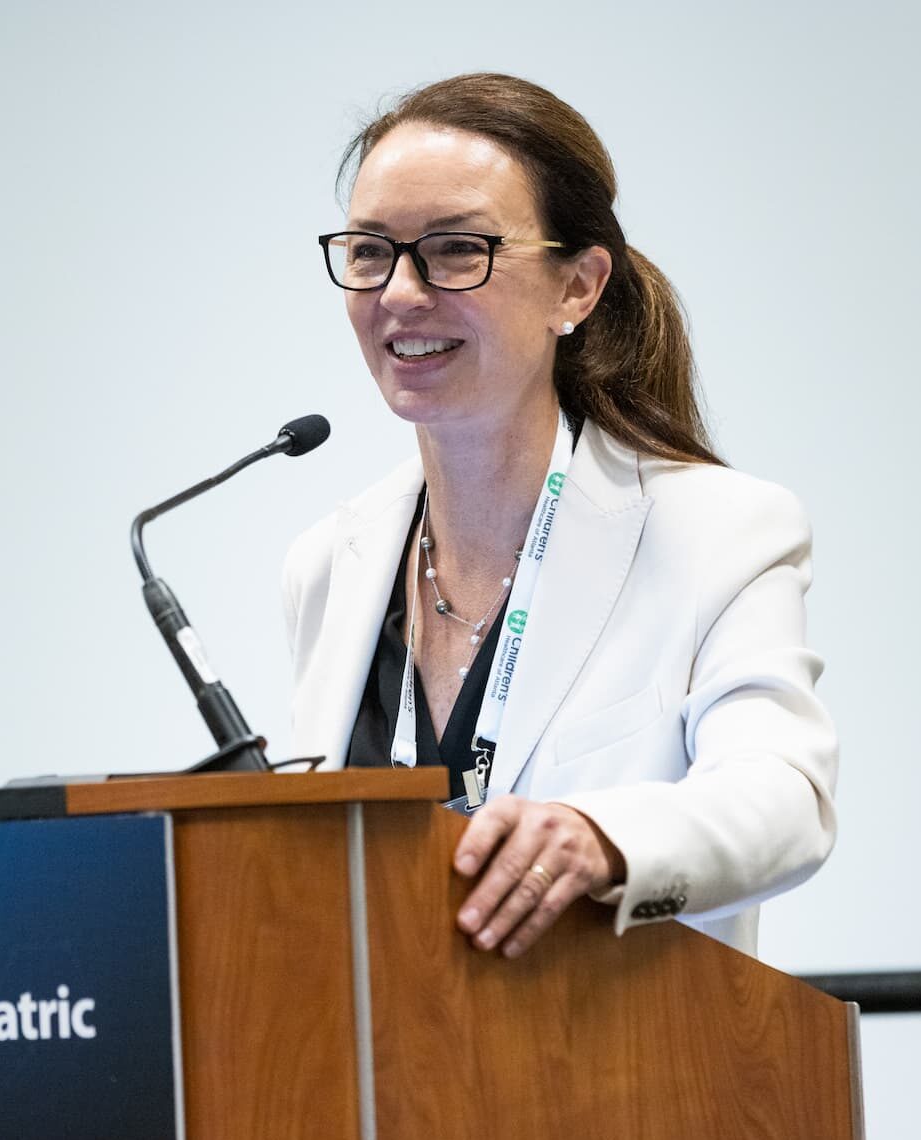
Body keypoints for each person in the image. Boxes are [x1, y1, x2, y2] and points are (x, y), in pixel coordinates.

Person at [282, 74, 837, 959]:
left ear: (576, 288)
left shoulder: (719, 531)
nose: (400, 292)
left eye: (457, 250)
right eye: (369, 251)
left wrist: (602, 839)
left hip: (615, 1076)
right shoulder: (329, 564)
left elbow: (784, 802)